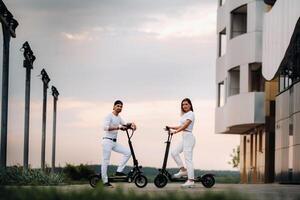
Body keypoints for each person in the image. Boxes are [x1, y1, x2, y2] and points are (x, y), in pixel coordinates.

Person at [101, 100, 136, 187]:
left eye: (121, 106)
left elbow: (124, 124)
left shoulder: (119, 117)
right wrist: (118, 127)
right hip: (107, 141)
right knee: (106, 161)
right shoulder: (109, 116)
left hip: (114, 142)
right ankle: (104, 181)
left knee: (128, 152)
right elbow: (105, 128)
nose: (119, 107)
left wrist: (132, 125)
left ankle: (119, 171)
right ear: (113, 107)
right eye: (118, 106)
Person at [167, 98, 196, 188]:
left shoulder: (191, 114)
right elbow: (180, 126)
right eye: (183, 104)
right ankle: (183, 170)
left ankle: (191, 180)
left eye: (186, 104)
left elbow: (185, 126)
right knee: (174, 153)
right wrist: (170, 127)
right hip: (184, 138)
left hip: (189, 138)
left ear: (190, 105)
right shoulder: (184, 115)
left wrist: (175, 132)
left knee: (188, 159)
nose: (184, 106)